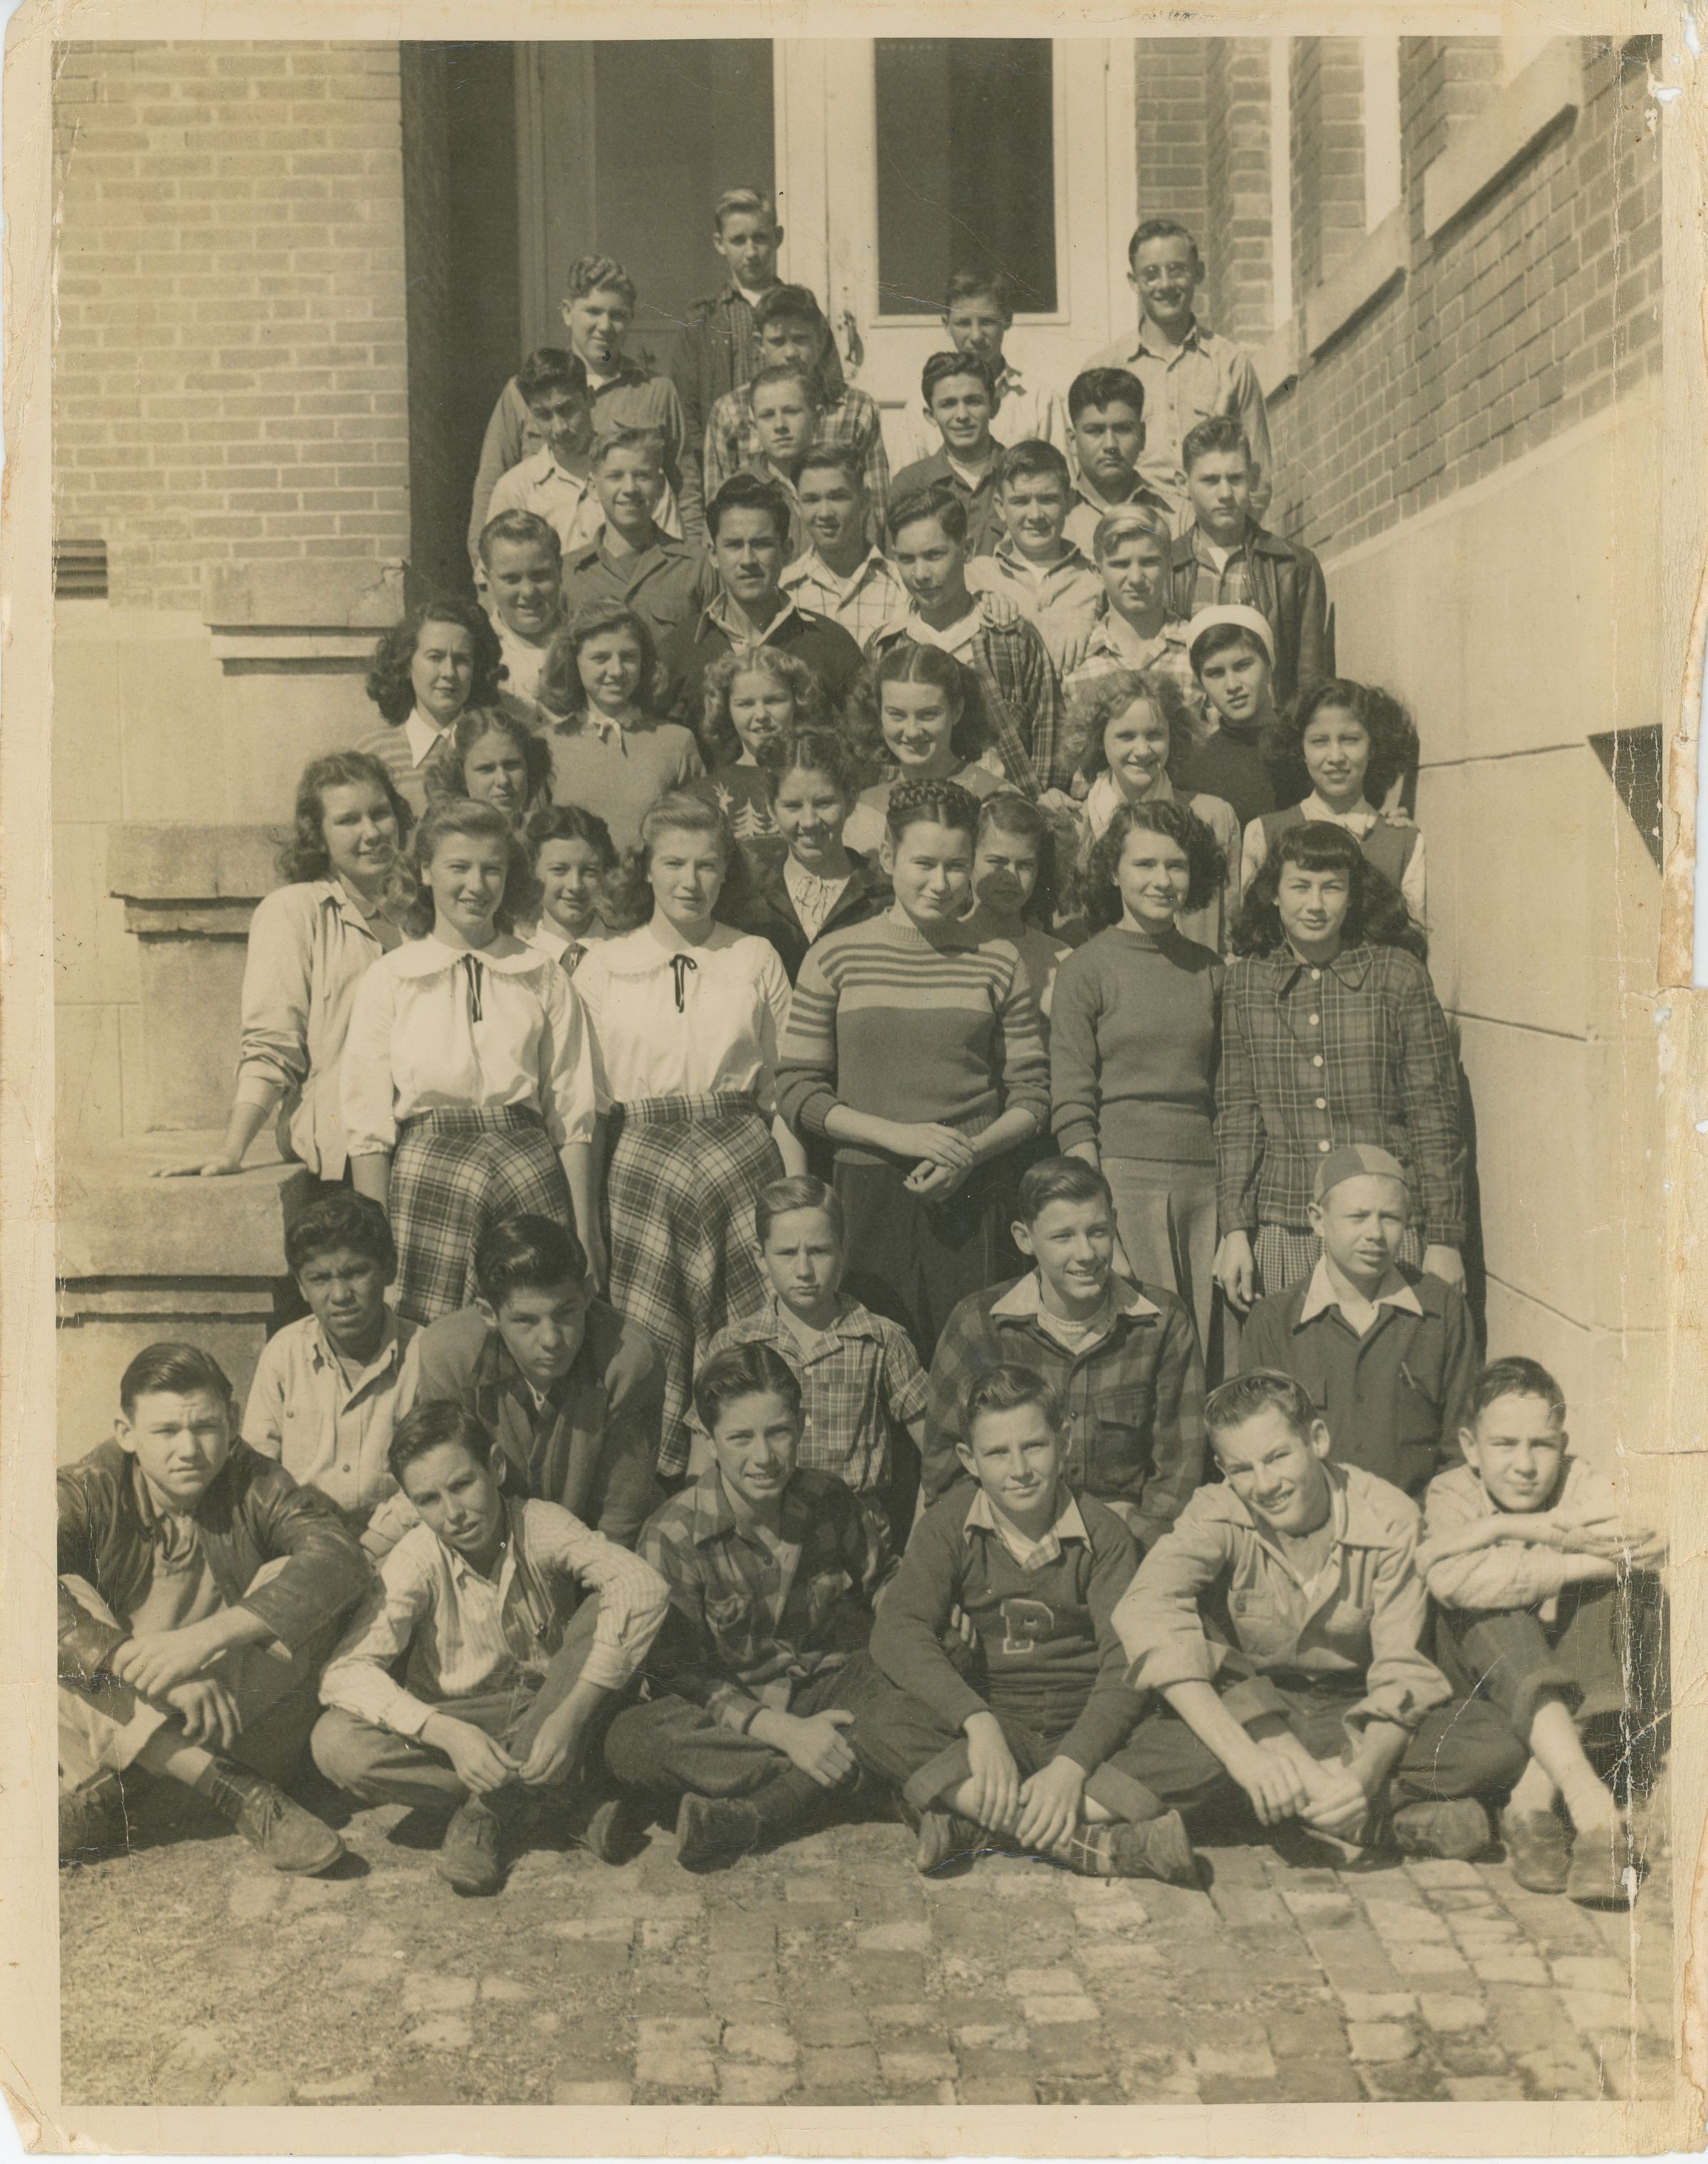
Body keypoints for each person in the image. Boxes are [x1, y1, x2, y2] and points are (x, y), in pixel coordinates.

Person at [1110, 1371, 1528, 1861]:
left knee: (1494, 1742)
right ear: (1223, 1469)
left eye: (1278, 1457)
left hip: (1352, 1710)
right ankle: (1373, 1819)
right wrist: (1245, 1758)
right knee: (1165, 1761)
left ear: (1318, 1439)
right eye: (1242, 1469)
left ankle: (1314, 1805)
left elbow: (1401, 1671)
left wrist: (1364, 1775)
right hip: (1255, 1712)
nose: (1265, 1484)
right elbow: (1145, 1608)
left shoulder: (1389, 1517)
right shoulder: (1216, 1512)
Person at [854, 1364, 1198, 1881]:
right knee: (876, 1717)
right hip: (998, 1727)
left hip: (1087, 1725)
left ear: (1063, 1442)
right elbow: (898, 1629)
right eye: (997, 1453)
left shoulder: (1104, 1535)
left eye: (1034, 1446)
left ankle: (977, 1821)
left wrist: (1072, 1766)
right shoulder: (948, 1525)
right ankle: (1089, 1840)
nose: (1019, 1469)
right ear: (969, 1460)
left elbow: (1125, 1662)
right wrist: (977, 1722)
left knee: (1203, 1743)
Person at [312, 1402, 670, 1896]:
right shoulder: (417, 1557)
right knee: (336, 1743)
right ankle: (558, 1801)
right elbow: (344, 1670)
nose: (453, 1514)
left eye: (462, 1485)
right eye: (429, 1499)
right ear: (412, 1504)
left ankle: (485, 1816)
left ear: (496, 1467)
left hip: (552, 1707)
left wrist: (569, 1719)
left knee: (604, 1607)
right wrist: (448, 1734)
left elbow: (643, 1585)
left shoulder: (540, 1525)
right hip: (468, 1719)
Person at [58, 1344, 370, 1875]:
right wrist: (154, 1673)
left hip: (227, 1717)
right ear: (126, 1433)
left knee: (297, 1579)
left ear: (232, 1421)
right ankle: (234, 1791)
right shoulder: (90, 1487)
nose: (189, 1450)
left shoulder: (255, 1480)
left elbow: (340, 1556)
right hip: (120, 1720)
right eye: (165, 1431)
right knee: (49, 1594)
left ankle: (132, 1791)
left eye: (205, 1427)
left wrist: (202, 1642)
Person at [777, 778, 1051, 1360]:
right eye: (924, 863)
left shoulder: (999, 961)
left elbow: (1032, 1097)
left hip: (971, 1193)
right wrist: (897, 1136)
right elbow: (797, 1090)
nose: (941, 883)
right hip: (867, 1193)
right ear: (888, 856)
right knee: (871, 1362)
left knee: (973, 1369)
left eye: (957, 866)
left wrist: (969, 1153)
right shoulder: (834, 954)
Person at [575, 793, 803, 1476]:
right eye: (673, 863)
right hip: (642, 1175)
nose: (690, 881)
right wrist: (588, 1226)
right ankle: (659, 1497)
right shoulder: (602, 964)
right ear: (644, 867)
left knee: (747, 1349)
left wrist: (794, 1204)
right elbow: (588, 1109)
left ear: (725, 871)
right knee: (649, 1344)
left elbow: (784, 1093)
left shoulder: (754, 956)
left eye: (707, 865)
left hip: (742, 1164)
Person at [603, 1344, 894, 1872]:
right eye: (741, 1438)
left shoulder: (828, 1497)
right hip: (731, 1719)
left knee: (911, 1670)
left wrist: (915, 1611)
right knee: (630, 1740)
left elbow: (885, 1580)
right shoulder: (672, 1535)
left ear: (800, 1426)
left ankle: (752, 1810)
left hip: (820, 1689)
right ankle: (831, 1780)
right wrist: (786, 1734)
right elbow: (678, 1677)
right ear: (709, 1439)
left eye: (778, 1432)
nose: (764, 1457)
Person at [342, 797, 601, 1325]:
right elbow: (368, 1127)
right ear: (424, 871)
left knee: (535, 1329)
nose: (476, 886)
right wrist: (378, 1244)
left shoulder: (541, 973)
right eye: (459, 868)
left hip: (527, 1167)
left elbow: (572, 1113)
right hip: (428, 1173)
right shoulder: (391, 977)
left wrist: (585, 1232)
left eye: (492, 870)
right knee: (430, 1337)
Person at [1420, 1357, 1667, 1905]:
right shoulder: (1452, 1491)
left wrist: (1505, 1534)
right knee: (1490, 1605)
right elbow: (1453, 1582)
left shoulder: (1580, 1480)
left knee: (1614, 1593)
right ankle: (1589, 1804)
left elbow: (1649, 1540)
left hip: (1569, 1682)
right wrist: (1559, 1540)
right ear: (1470, 1447)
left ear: (1563, 1443)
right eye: (1505, 1445)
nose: (1526, 1465)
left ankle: (1532, 1803)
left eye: (1542, 1445)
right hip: (1484, 1685)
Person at [1213, 822, 1465, 1315]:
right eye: (1300, 886)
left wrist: (1444, 1238)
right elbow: (1238, 1117)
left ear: (1353, 897)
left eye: (1331, 888)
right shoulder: (1245, 985)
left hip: (1385, 1228)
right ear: (1273, 894)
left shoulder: (1399, 976)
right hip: (1286, 1227)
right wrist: (1235, 1231)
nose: (1315, 904)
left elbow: (1434, 1117)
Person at [920, 1157, 1205, 1544]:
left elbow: (1178, 1476)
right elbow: (946, 1475)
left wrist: (1124, 1543)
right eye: (1063, 1237)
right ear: (1025, 1238)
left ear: (1115, 1224)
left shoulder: (1163, 1322)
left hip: (1128, 1545)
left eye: (1098, 1232)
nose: (1086, 1253)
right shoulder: (977, 1324)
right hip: (1010, 1546)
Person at [157, 751, 409, 1185]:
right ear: (318, 837)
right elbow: (273, 1044)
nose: (371, 833)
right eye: (348, 821)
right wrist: (232, 1149)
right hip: (345, 1139)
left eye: (380, 814)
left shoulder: (420, 913)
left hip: (423, 1124)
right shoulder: (293, 911)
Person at [1050, 801, 1226, 1357]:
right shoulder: (1085, 967)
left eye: (1176, 865)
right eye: (1145, 864)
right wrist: (1097, 1215)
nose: (1162, 880)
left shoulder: (1211, 969)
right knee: (1141, 1352)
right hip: (1122, 1186)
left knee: (1207, 1349)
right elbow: (1072, 1103)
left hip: (1205, 1186)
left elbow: (1229, 1093)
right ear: (1113, 871)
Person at [378, 1213, 663, 1554]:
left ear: (588, 1293)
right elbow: (447, 1484)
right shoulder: (447, 1354)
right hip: (490, 1548)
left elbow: (620, 1519)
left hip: (594, 1552)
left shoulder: (630, 1361)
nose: (551, 1339)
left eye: (565, 1313)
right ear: (489, 1314)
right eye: (526, 1320)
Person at [685, 1176, 929, 1520]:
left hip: (856, 1539)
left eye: (819, 1251)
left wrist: (920, 1541)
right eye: (787, 1253)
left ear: (842, 1251)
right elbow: (701, 1468)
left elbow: (940, 1453)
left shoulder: (882, 1340)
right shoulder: (734, 1344)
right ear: (760, 1257)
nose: (803, 1270)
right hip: (762, 1533)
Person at [1240, 1145, 1477, 1499]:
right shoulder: (1273, 1322)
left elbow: (1463, 1445)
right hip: (1312, 1520)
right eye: (1358, 1216)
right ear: (1318, 1220)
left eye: (1390, 1218)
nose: (1375, 1234)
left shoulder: (1443, 1311)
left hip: (1421, 1520)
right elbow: (1257, 1450)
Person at [468, 253, 702, 557]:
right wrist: (485, 571)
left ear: (631, 319)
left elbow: (685, 490)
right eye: (593, 311)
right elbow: (490, 486)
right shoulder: (522, 391)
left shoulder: (656, 392)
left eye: (617, 315)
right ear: (567, 312)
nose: (605, 326)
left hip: (631, 566)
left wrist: (694, 561)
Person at [870, 482, 1067, 795]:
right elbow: (878, 755)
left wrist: (1038, 807)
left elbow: (1050, 736)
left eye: (934, 555)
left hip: (1002, 811)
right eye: (907, 560)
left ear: (968, 549)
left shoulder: (1011, 638)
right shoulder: (886, 648)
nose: (921, 574)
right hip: (915, 812)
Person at [242, 1191, 415, 1534]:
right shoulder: (284, 1354)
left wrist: (374, 1544)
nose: (340, 1296)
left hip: (395, 1542)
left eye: (355, 1273)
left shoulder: (423, 1357)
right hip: (301, 1536)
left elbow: (436, 1481)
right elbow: (257, 1472)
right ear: (301, 1286)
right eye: (320, 1279)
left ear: (389, 1269)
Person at [1085, 219, 1273, 528]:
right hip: (1134, 536)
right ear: (1134, 281)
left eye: (1177, 271)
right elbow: (1087, 474)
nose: (1165, 285)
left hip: (1210, 535)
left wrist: (1227, 542)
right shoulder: (1105, 369)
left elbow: (1258, 478)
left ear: (1199, 272)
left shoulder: (1230, 364)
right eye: (1151, 274)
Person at [657, 474, 865, 737]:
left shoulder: (830, 643)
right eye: (734, 545)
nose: (748, 560)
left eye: (761, 544)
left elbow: (867, 738)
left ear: (787, 551)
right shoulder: (680, 649)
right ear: (713, 554)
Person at [668, 186, 847, 471]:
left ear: (778, 238)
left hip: (802, 463)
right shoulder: (703, 319)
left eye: (760, 238)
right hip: (731, 463)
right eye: (738, 240)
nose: (751, 252)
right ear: (720, 243)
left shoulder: (803, 312)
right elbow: (687, 410)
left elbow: (832, 386)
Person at [1068, 668, 1240, 952]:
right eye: (1126, 736)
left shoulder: (1213, 817)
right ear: (1099, 739)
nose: (1142, 750)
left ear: (1174, 735)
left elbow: (1231, 937)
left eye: (1154, 735)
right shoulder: (1074, 825)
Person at [1168, 417, 1329, 710]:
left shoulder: (1293, 566)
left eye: (1236, 478)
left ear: (1253, 478)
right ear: (1183, 484)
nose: (1225, 494)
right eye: (1210, 480)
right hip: (1190, 734)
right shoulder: (1165, 568)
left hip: (1270, 732)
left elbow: (1312, 681)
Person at [1245, 678, 1426, 923]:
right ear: (1301, 750)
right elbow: (1252, 932)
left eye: (1350, 740)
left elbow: (1413, 937)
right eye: (1319, 742)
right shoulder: (1264, 833)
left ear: (1373, 747)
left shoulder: (1404, 842)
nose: (1336, 757)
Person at [533, 599, 706, 855]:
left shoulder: (676, 742)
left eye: (628, 657)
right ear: (573, 661)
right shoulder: (547, 743)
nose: (616, 671)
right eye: (600, 658)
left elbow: (697, 834)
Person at [721, 729, 892, 983]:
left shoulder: (884, 894)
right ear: (771, 808)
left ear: (850, 801)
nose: (809, 822)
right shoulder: (747, 894)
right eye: (793, 806)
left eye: (824, 803)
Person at [703, 284, 887, 513]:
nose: (790, 353)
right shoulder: (730, 411)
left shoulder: (857, 408)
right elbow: (717, 508)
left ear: (820, 339)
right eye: (778, 341)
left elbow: (877, 504)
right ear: (760, 344)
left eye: (800, 339)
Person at [842, 640, 1005, 854]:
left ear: (957, 710)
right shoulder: (863, 810)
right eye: (897, 715)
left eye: (928, 715)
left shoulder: (996, 799)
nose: (912, 731)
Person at [893, 269, 1068, 465]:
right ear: (947, 325)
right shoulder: (920, 409)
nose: (976, 336)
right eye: (963, 323)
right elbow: (908, 481)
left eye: (987, 322)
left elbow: (1061, 477)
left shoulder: (1040, 401)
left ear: (1007, 319)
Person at [559, 429, 710, 649]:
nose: (630, 488)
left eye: (642, 476)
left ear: (660, 485)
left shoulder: (696, 567)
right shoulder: (569, 573)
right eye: (615, 476)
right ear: (593, 487)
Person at [357, 597, 505, 816]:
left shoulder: (499, 746)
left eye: (461, 660)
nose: (449, 672)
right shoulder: (374, 752)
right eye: (435, 657)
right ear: (407, 665)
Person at [966, 440, 1103, 674]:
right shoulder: (973, 577)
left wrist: (1095, 624)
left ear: (1069, 501)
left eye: (1047, 499)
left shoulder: (1097, 577)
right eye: (1020, 501)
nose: (1035, 515)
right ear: (1000, 507)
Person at [693, 644, 829, 873]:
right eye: (746, 704)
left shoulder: (826, 780)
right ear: (726, 708)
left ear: (798, 701)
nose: (761, 715)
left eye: (774, 700)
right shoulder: (703, 795)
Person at [1062, 505, 1199, 728]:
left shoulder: (1195, 647)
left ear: (1168, 566)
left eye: (1149, 562)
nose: (1136, 578)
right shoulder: (1076, 658)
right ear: (1098, 572)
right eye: (1120, 564)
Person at [483, 350, 621, 562]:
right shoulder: (516, 488)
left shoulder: (631, 472)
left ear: (590, 398)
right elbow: (492, 574)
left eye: (567, 410)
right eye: (544, 415)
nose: (559, 428)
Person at [964, 792, 1075, 1031]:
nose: (1011, 877)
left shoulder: (1061, 959)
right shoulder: (942, 944)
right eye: (997, 862)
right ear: (968, 858)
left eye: (1025, 865)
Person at [1171, 605, 1285, 834]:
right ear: (1201, 682)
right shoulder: (1194, 767)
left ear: (1269, 664)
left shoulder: (1309, 746)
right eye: (1215, 673)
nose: (1232, 685)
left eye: (1242, 666)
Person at [779, 446, 907, 646]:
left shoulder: (901, 585)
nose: (825, 513)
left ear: (865, 499)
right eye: (812, 500)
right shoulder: (783, 589)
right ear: (797, 506)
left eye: (837, 497)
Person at [890, 352, 1007, 558]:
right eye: (948, 404)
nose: (962, 415)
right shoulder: (910, 484)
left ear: (994, 407)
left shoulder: (1020, 473)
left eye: (973, 401)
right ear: (931, 415)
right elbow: (898, 565)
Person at [1063, 368, 1173, 557]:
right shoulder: (1054, 518)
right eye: (1095, 431)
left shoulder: (1178, 515)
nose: (1110, 445)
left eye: (1123, 429)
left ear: (1142, 437)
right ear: (1072, 441)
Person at [478, 510, 568, 713]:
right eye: (511, 579)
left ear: (559, 570)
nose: (528, 592)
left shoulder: (584, 641)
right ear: (488, 580)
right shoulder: (477, 650)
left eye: (540, 576)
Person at [522, 803, 621, 972]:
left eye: (589, 871)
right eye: (559, 870)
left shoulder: (628, 952)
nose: (575, 886)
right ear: (532, 873)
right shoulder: (517, 957)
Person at [424, 705, 554, 827]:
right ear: (460, 776)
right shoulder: (445, 839)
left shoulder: (545, 833)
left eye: (512, 764)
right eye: (486, 769)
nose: (503, 780)